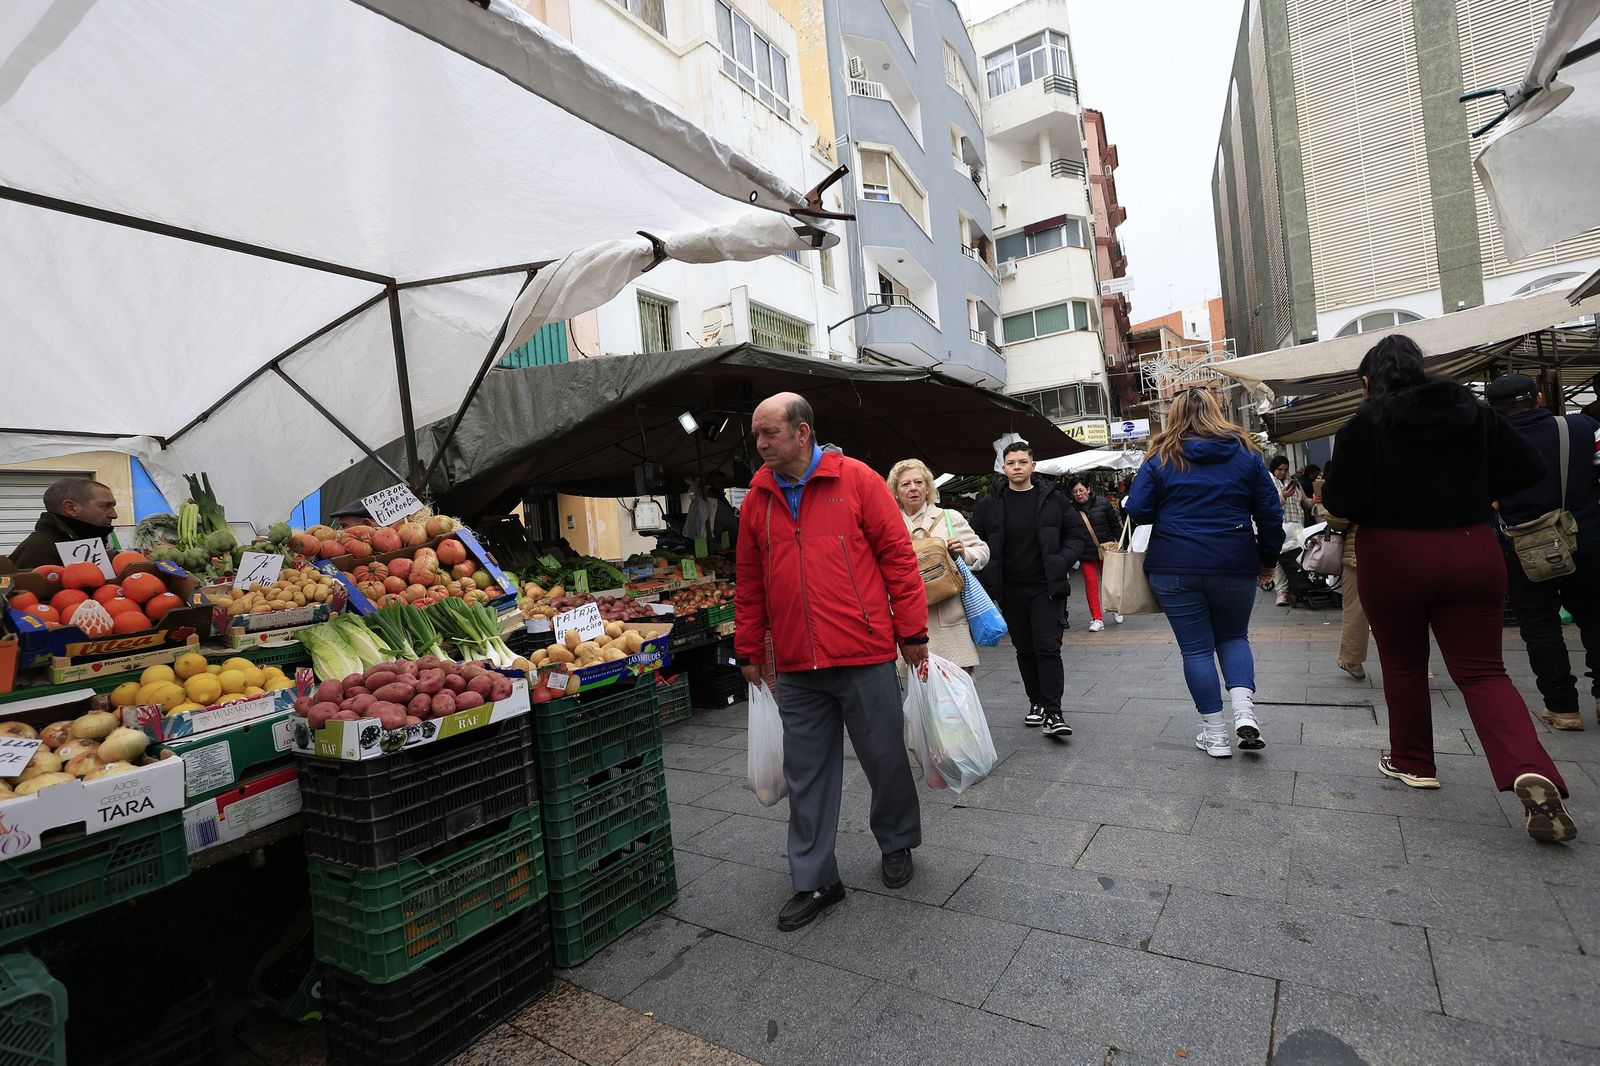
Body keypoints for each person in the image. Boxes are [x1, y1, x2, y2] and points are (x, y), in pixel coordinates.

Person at [1322, 336, 1576, 844]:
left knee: (1403, 664)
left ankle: (1414, 762)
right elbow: (1530, 468)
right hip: (1471, 547)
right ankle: (1530, 766)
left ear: (1369, 381)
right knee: (1484, 672)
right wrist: (1476, 491)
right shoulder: (1472, 410)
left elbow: (1342, 500)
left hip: (1392, 555)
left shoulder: (1364, 423)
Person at [734, 392, 928, 931]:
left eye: (769, 433)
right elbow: (748, 582)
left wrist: (912, 632)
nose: (761, 443)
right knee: (806, 775)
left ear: (802, 432)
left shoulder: (858, 481)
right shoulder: (757, 499)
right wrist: (750, 647)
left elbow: (898, 560)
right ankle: (816, 877)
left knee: (885, 759)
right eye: (756, 435)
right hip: (796, 666)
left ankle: (896, 842)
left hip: (863, 653)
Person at [1125, 388, 1284, 757]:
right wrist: (1267, 559)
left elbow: (1141, 512)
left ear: (1173, 415)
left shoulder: (1161, 457)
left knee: (1196, 651)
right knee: (1233, 637)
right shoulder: (1245, 454)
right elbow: (1270, 514)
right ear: (1217, 410)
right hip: (1233, 561)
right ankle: (1244, 711)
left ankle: (1215, 736)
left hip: (1174, 565)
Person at [1487, 372, 1600, 732]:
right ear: (1538, 398)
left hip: (1524, 547)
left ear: (1494, 409)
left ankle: (1563, 708)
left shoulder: (1489, 444)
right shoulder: (1583, 427)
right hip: (1587, 538)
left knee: (1540, 626)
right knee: (1597, 618)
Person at [970, 442, 1087, 739]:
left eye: (1023, 461)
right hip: (1010, 590)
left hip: (1047, 587)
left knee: (1048, 648)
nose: (1017, 467)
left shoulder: (1053, 499)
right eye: (1011, 463)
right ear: (1003, 468)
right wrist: (987, 576)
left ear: (1033, 465)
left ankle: (1053, 711)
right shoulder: (989, 503)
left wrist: (1060, 562)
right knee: (1025, 649)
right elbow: (974, 542)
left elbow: (1076, 535)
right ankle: (1035, 702)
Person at [887, 459, 990, 673]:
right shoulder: (889, 524)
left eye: (919, 482)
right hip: (911, 623)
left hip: (949, 621)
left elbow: (983, 551)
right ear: (896, 492)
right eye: (905, 484)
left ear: (928, 488)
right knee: (923, 699)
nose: (913, 488)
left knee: (956, 698)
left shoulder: (949, 518)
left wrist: (964, 552)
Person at [6, 477, 120, 569]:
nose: (114, 515)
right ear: (71, 508)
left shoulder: (80, 541)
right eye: (105, 506)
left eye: (113, 506)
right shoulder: (42, 550)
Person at [1068, 477, 1122, 632]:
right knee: (1091, 584)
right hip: (1085, 553)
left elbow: (1115, 526)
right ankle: (1097, 618)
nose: (1079, 494)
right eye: (1075, 492)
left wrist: (1121, 545)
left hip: (1106, 550)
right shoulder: (1071, 509)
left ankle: (1116, 608)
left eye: (1081, 490)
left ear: (1088, 489)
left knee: (1110, 582)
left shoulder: (1103, 504)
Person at [1268, 455, 1306, 606]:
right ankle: (1281, 592)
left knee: (1296, 557)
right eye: (1279, 469)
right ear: (1273, 469)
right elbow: (1266, 503)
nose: (1282, 472)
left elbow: (1304, 501)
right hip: (1278, 524)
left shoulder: (1294, 483)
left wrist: (1314, 501)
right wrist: (1282, 496)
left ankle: (1297, 586)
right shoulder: (1268, 481)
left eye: (1285, 469)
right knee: (1279, 556)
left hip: (1297, 524)